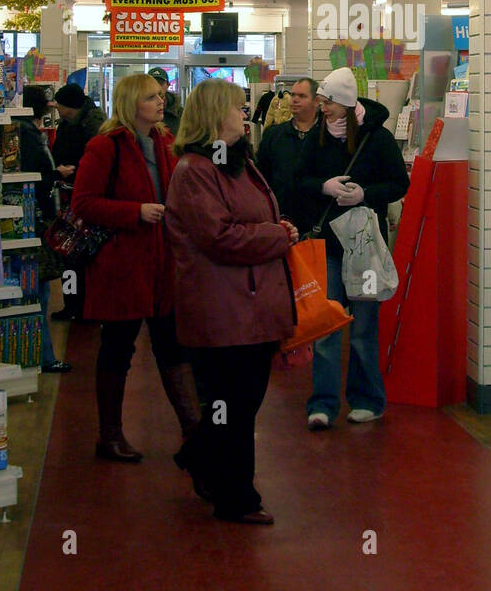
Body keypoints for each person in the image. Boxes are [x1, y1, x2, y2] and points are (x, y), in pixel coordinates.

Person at [164, 80, 297, 525]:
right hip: (222, 308)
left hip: (250, 305)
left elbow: (247, 220)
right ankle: (236, 496)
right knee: (233, 406)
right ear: (215, 115)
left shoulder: (238, 162)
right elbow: (219, 238)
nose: (246, 114)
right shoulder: (195, 169)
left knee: (241, 402)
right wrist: (277, 235)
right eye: (238, 109)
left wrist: (276, 227)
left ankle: (201, 459)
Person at [71, 73, 201, 463]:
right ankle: (109, 435)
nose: (160, 103)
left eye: (161, 96)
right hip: (123, 264)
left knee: (172, 346)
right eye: (150, 97)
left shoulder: (165, 142)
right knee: (117, 348)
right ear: (131, 103)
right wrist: (135, 212)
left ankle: (194, 433)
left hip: (162, 264)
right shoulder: (105, 146)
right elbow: (84, 203)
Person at [295, 67, 409, 430]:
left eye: (327, 102)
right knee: (327, 326)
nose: (321, 108)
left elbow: (398, 183)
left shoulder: (377, 139)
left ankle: (367, 400)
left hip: (366, 248)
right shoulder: (316, 138)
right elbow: (297, 181)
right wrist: (323, 187)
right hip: (328, 245)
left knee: (364, 328)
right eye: (321, 102)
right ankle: (324, 404)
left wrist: (365, 195)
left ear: (345, 103)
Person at [18, 88, 70, 375]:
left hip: (34, 219)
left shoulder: (27, 131)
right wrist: (55, 174)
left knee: (38, 290)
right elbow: (37, 176)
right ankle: (44, 356)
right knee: (38, 290)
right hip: (37, 221)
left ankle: (41, 355)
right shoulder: (28, 135)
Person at [51, 82, 105, 321]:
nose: (57, 110)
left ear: (70, 106)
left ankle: (82, 306)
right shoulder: (73, 123)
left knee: (78, 255)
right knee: (71, 255)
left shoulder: (93, 126)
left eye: (60, 106)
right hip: (69, 194)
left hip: (83, 198)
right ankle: (74, 305)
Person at [256, 77, 320, 231]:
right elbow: (261, 177)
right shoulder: (274, 135)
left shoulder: (327, 135)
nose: (295, 100)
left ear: (316, 101)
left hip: (318, 222)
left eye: (302, 96)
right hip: (282, 221)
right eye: (293, 95)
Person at [148, 67, 181, 136]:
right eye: (153, 83)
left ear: (168, 85)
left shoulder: (180, 114)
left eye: (160, 83)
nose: (157, 87)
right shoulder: (140, 112)